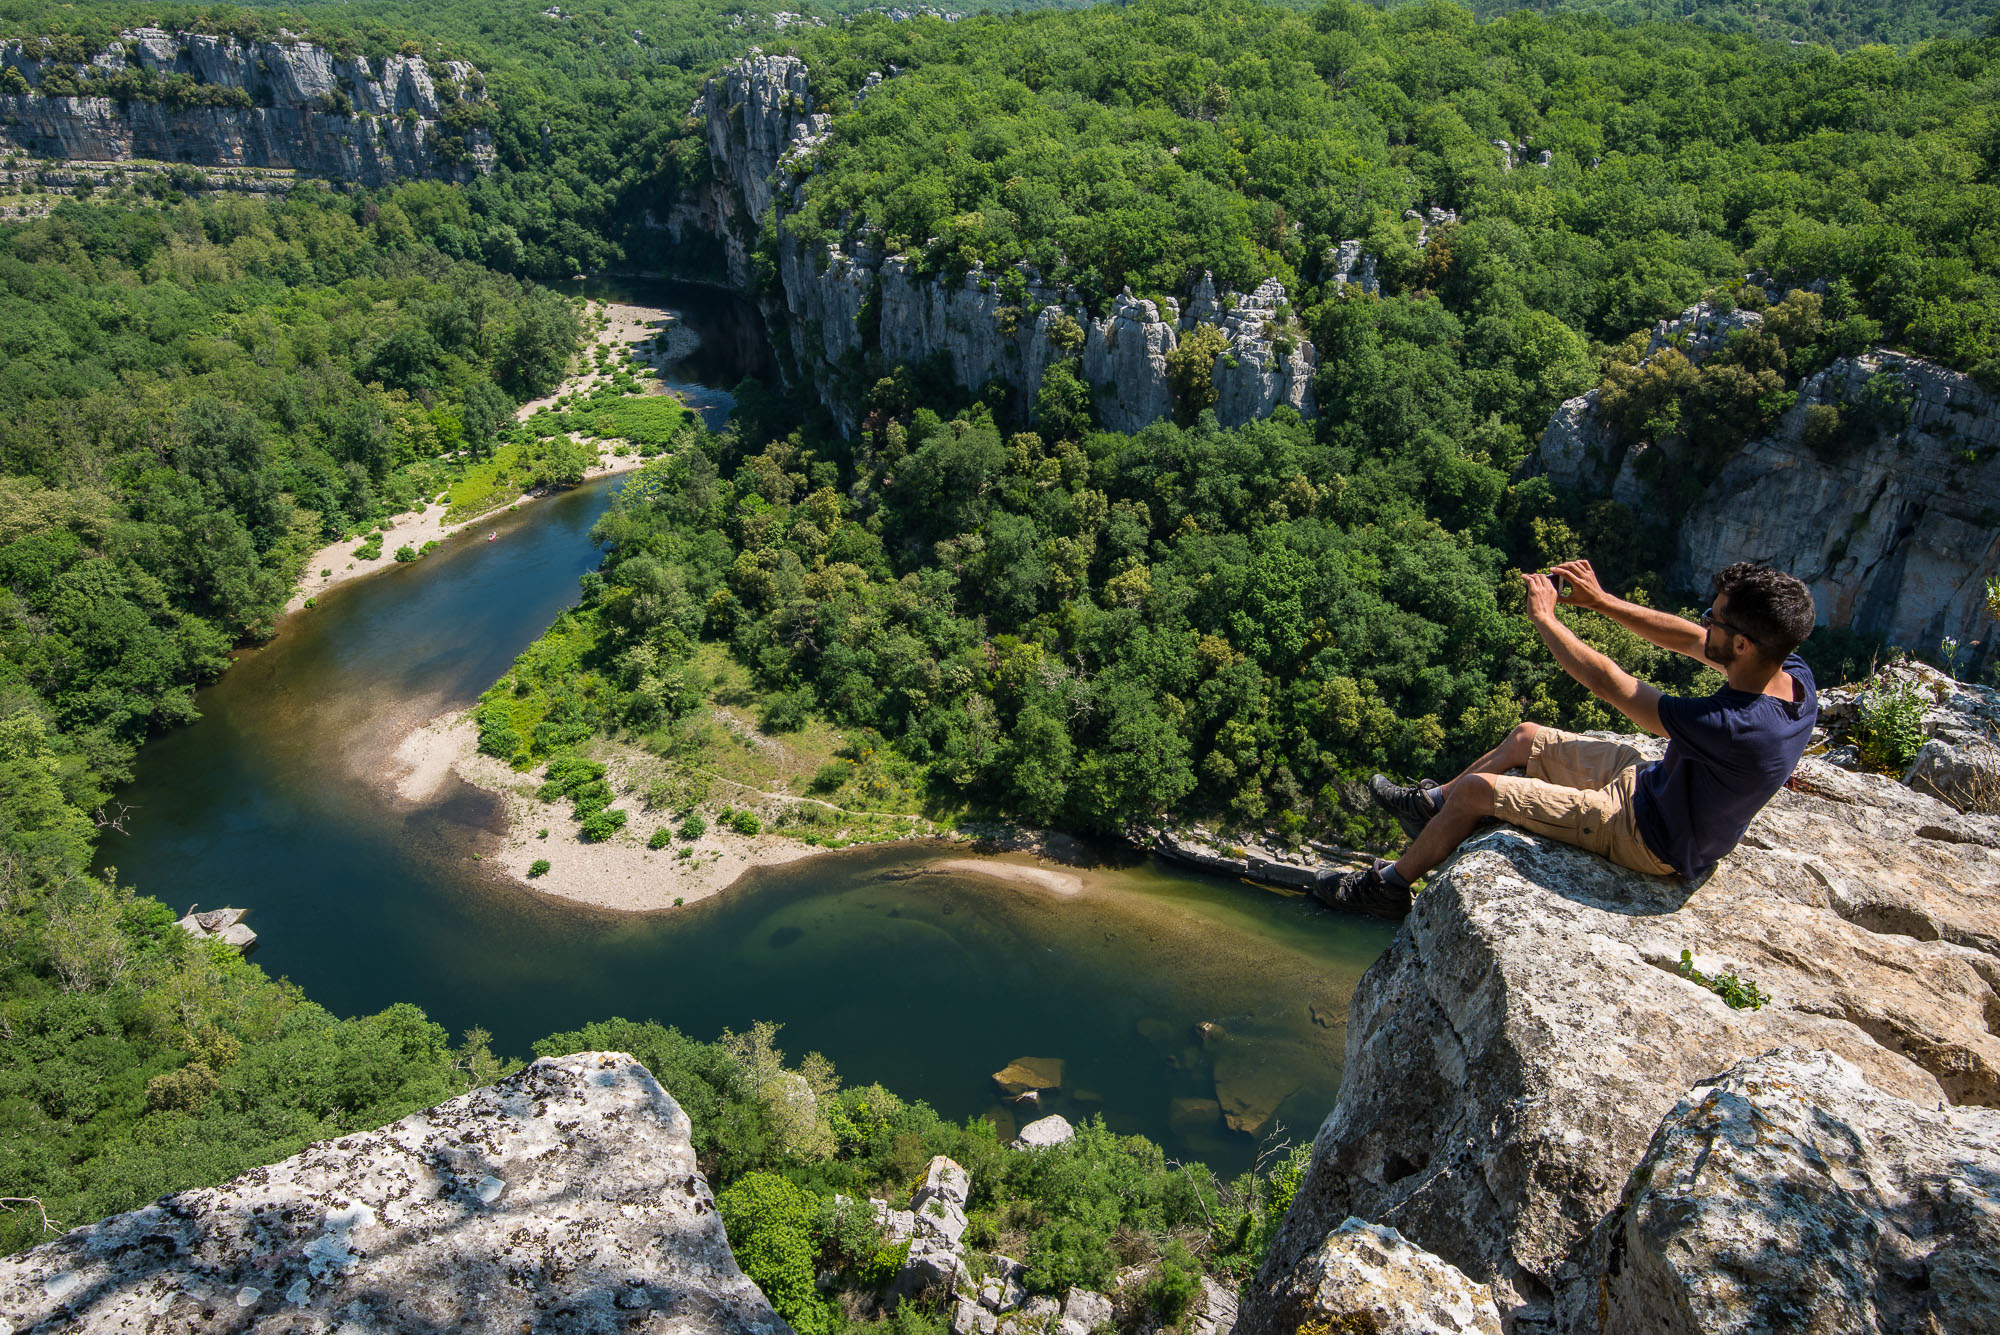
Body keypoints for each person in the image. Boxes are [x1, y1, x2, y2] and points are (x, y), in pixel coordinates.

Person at [1315, 559, 1818, 918]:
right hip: (1651, 786)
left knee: (1478, 793)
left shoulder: (1733, 725)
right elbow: (1688, 639)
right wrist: (1602, 603)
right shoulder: (1791, 674)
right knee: (1526, 737)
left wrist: (1545, 619)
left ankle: (1388, 887)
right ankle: (1429, 804)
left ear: (1743, 643)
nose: (1704, 622)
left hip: (1647, 836)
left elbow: (1611, 684)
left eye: (1714, 618)